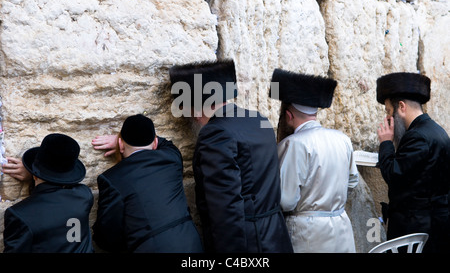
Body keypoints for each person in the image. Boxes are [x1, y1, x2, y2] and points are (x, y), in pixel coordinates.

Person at [168, 59, 293, 253]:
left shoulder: (215, 134)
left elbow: (226, 211)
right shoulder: (258, 120)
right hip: (275, 235)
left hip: (248, 244)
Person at [269, 68, 359, 253]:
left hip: (308, 233)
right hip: (341, 225)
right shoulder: (342, 138)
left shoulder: (293, 144)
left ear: (288, 116)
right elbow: (353, 181)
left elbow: (286, 201)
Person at [92, 114, 203, 253]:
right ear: (155, 143)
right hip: (190, 245)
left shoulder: (111, 179)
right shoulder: (172, 157)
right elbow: (166, 143)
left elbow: (107, 234)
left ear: (121, 145)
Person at [376, 72, 450, 253]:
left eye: (388, 111)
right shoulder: (437, 130)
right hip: (434, 226)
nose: (388, 118)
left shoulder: (416, 136)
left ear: (401, 106)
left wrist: (386, 142)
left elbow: (393, 175)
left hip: (417, 229)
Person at [3, 133, 94, 253]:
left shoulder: (20, 215)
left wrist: (34, 172)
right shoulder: (84, 195)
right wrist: (36, 172)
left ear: (35, 175)